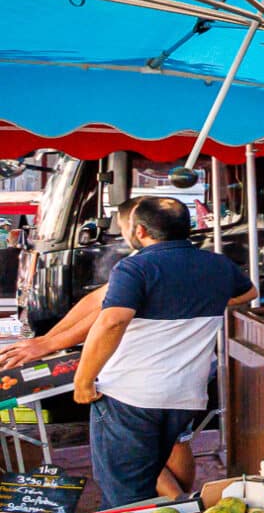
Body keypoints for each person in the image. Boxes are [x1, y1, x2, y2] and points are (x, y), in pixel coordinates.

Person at [1, 201, 202, 497]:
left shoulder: (146, 267)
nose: (121, 234)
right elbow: (96, 300)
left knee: (143, 442)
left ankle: (178, 502)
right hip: (165, 373)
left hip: (150, 371)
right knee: (161, 439)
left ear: (141, 229)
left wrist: (57, 351)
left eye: (123, 228)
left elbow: (109, 317)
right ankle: (181, 502)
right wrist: (44, 342)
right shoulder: (157, 262)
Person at [71, 197, 256, 508]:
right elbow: (250, 293)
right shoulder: (218, 265)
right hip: (183, 398)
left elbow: (112, 321)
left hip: (128, 399)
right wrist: (207, 304)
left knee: (125, 499)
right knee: (146, 480)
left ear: (140, 230)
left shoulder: (134, 267)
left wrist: (83, 381)